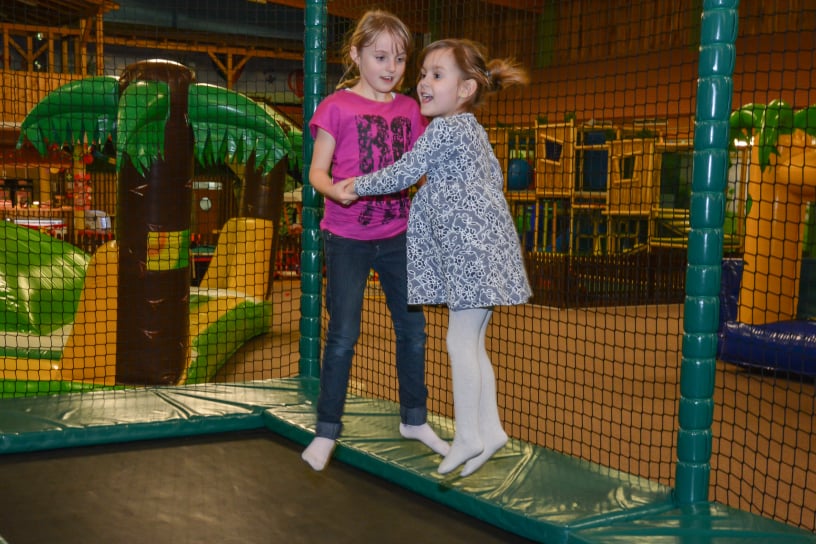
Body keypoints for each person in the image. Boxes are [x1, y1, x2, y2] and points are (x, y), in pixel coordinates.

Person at [331, 39, 532, 477]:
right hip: (488, 249)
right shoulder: (473, 129)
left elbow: (404, 171)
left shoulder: (444, 129)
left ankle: (467, 437)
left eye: (436, 75)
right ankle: (491, 429)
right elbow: (494, 178)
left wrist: (354, 185)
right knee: (473, 342)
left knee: (458, 343)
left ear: (465, 90)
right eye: (423, 73)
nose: (423, 82)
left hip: (471, 252)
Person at [301, 10, 450, 472]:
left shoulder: (409, 110)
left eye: (401, 59)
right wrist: (335, 190)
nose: (391, 67)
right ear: (356, 55)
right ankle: (327, 429)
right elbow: (317, 172)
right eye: (381, 56)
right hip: (347, 238)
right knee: (344, 335)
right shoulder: (336, 107)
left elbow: (426, 164)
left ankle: (414, 418)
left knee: (414, 330)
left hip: (396, 236)